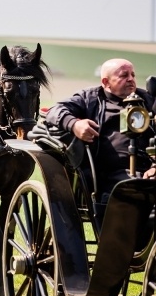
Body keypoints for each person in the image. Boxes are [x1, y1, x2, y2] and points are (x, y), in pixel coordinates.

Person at [44, 58, 156, 200]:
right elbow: (54, 111)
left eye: (133, 75)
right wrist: (74, 125)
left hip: (148, 172)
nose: (131, 79)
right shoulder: (89, 98)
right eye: (124, 75)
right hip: (106, 176)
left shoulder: (149, 100)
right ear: (105, 82)